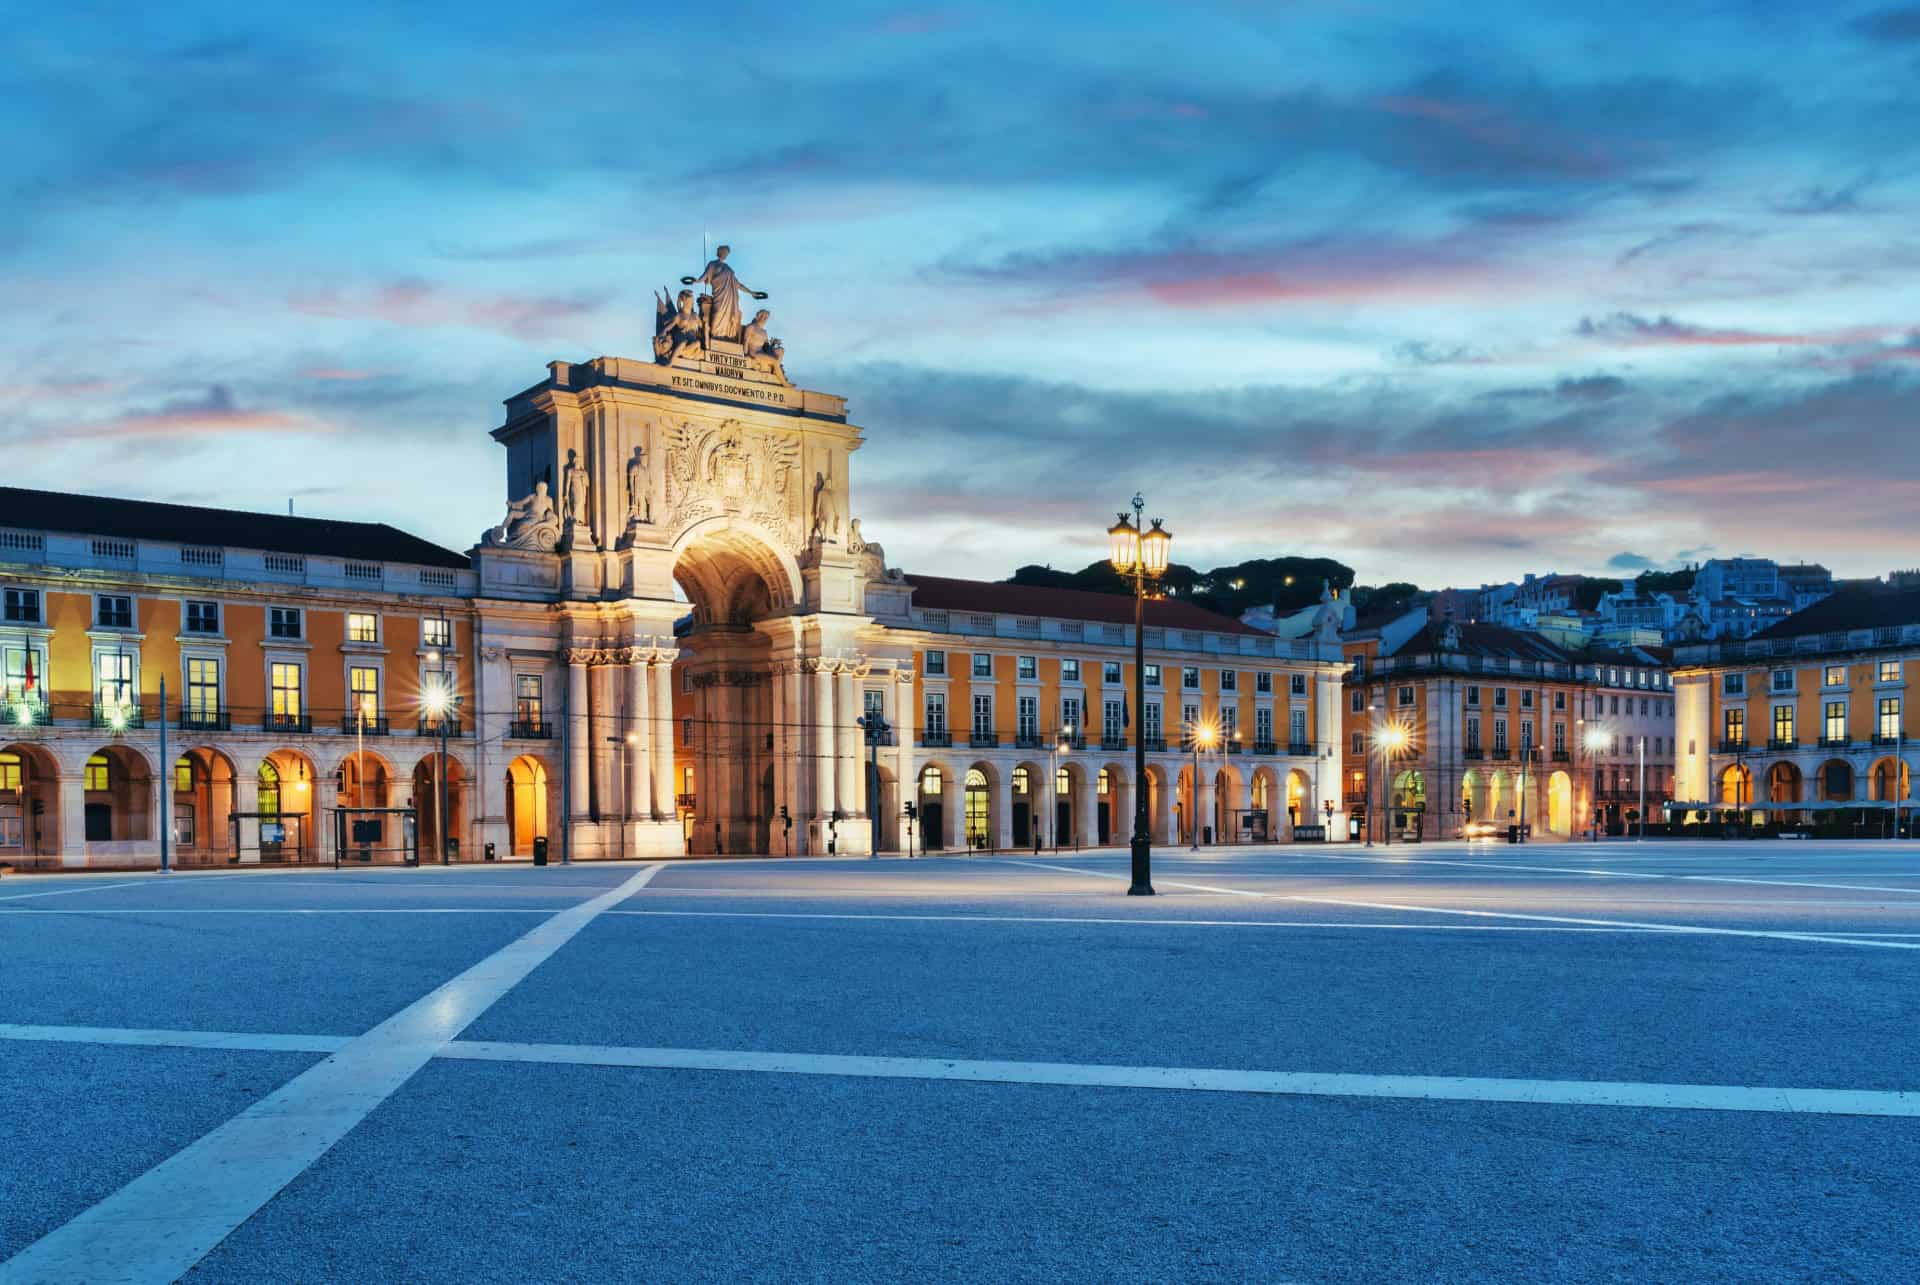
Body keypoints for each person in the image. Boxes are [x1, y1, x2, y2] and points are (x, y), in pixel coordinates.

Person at [680, 244, 766, 343]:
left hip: (729, 299)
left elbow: (737, 284)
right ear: (719, 252)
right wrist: (695, 281)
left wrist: (751, 292)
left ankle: (725, 338)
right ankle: (715, 336)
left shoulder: (728, 269)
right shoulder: (712, 264)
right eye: (724, 252)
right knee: (718, 314)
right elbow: (703, 277)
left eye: (727, 253)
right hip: (719, 296)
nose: (725, 254)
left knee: (729, 318)